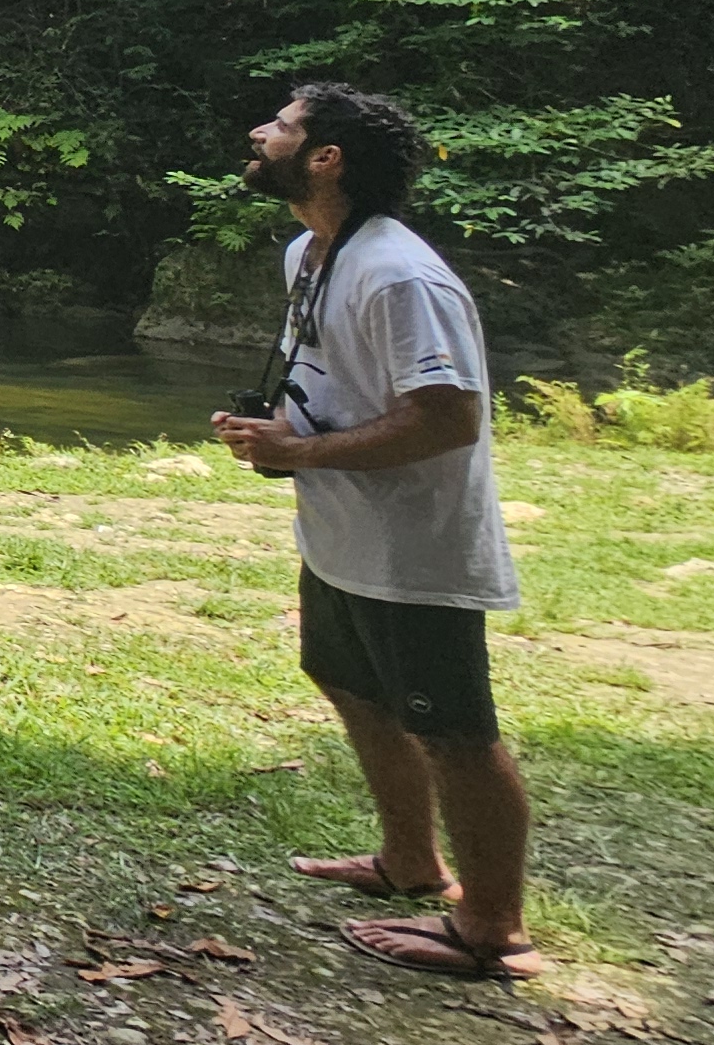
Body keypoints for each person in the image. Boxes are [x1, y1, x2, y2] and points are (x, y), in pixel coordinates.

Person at [213, 84, 543, 982]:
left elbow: (447, 419)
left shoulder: (401, 274)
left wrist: (307, 455)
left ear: (326, 158)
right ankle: (409, 862)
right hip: (344, 536)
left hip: (416, 551)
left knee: (454, 731)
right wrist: (274, 437)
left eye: (280, 126)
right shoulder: (311, 254)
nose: (259, 133)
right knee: (352, 686)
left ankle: (491, 928)